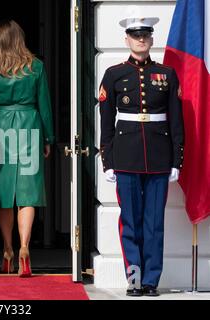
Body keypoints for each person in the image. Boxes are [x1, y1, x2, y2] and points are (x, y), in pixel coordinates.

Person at [99, 15, 184, 296]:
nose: (141, 40)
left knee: (154, 224)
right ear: (127, 40)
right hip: (126, 157)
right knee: (131, 222)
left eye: (145, 35)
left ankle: (151, 281)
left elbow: (176, 122)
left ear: (151, 39)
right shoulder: (113, 74)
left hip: (159, 157)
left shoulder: (167, 74)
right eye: (136, 35)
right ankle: (134, 280)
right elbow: (106, 121)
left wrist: (176, 160)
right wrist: (107, 160)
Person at [0, 20, 55, 277]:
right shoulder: (36, 67)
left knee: (4, 194)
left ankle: (7, 249)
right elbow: (44, 105)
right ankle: (25, 247)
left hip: (1, 128)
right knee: (28, 193)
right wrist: (48, 138)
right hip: (30, 126)